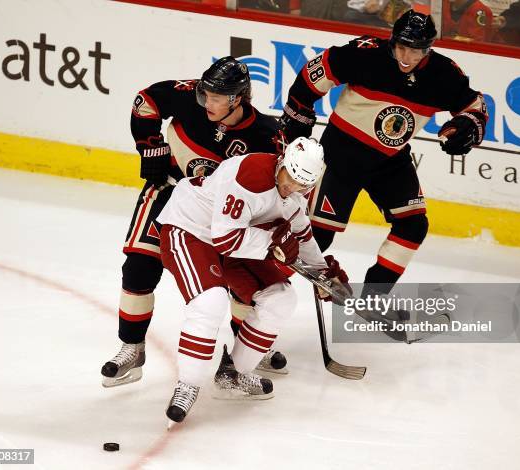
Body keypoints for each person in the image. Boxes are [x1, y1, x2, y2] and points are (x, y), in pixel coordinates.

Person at [101, 57, 288, 388]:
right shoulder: (189, 97)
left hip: (226, 214)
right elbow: (146, 101)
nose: (207, 103)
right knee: (138, 267)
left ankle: (243, 356)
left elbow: (277, 187)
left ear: (239, 98)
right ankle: (132, 347)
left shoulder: (266, 136)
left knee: (241, 284)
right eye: (206, 94)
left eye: (218, 98)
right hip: (170, 191)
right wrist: (150, 147)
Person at [277, 10, 488, 300]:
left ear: (428, 49)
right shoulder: (366, 54)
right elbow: (319, 69)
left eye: (415, 51)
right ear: (392, 40)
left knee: (414, 225)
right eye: (402, 47)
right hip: (342, 155)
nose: (407, 57)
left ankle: (374, 297)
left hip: (390, 160)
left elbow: (475, 105)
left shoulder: (444, 74)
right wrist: (299, 109)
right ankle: (259, 282)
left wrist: (467, 125)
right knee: (318, 236)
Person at [156, 137, 350, 424]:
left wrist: (323, 274)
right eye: (289, 179)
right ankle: (188, 385)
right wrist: (274, 244)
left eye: (302, 186)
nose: (291, 189)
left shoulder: (297, 190)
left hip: (239, 240)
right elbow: (224, 238)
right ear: (282, 162)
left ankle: (232, 374)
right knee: (211, 301)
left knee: (281, 299)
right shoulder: (252, 174)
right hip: (192, 229)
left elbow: (301, 234)